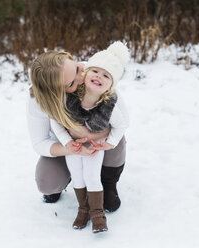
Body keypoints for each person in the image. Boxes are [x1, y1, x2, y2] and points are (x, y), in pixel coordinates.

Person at [27, 45, 127, 214]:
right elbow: (39, 143)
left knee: (118, 140)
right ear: (58, 93)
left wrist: (91, 135)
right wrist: (69, 147)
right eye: (72, 82)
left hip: (100, 138)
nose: (82, 77)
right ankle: (66, 178)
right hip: (66, 144)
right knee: (47, 182)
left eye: (76, 68)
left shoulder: (96, 71)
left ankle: (108, 182)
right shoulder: (39, 102)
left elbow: (123, 121)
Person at [50, 41, 130, 233]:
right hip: (74, 147)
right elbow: (56, 122)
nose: (99, 77)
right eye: (95, 71)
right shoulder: (69, 98)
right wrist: (68, 142)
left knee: (92, 177)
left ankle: (97, 214)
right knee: (78, 177)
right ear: (85, 74)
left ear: (111, 86)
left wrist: (109, 144)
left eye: (106, 76)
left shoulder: (109, 106)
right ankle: (83, 209)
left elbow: (121, 126)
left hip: (94, 147)